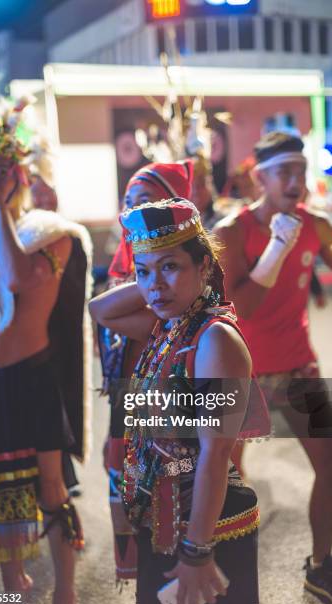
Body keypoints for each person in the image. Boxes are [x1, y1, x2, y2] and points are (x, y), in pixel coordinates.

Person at [91, 197, 268, 604]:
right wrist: (158, 270)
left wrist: (197, 552)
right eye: (143, 272)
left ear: (203, 265)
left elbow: (215, 453)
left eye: (171, 267)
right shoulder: (170, 327)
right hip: (167, 516)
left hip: (208, 525)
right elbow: (99, 310)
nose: (155, 285)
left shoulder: (214, 340)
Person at [214, 131, 332, 604]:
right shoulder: (231, 233)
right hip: (241, 370)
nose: (296, 180)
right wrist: (277, 248)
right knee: (227, 475)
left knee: (331, 465)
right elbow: (245, 308)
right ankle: (222, 573)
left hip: (299, 364)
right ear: (261, 177)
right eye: (285, 171)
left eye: (301, 170)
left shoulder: (317, 224)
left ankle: (320, 568)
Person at [0, 96, 92, 604]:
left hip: (31, 380)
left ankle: (66, 592)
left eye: (1, 171)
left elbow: (15, 279)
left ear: (22, 176)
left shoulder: (49, 233)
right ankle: (15, 589)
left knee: (50, 488)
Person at [100, 160, 194, 582]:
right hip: (128, 390)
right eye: (129, 202)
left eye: (147, 202)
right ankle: (144, 573)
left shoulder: (185, 281)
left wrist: (153, 265)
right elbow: (100, 312)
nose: (135, 213)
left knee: (178, 478)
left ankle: (186, 564)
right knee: (127, 472)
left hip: (167, 391)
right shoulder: (128, 261)